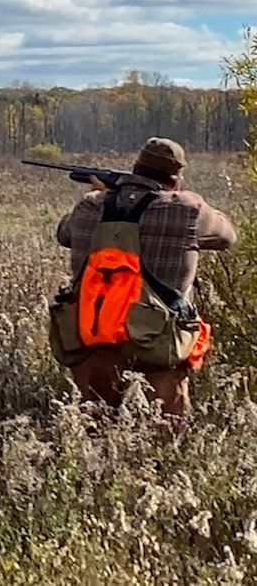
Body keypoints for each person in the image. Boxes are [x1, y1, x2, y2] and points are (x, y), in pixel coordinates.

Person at [53, 137, 237, 415]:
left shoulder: (89, 206)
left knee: (95, 436)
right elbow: (227, 236)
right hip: (158, 349)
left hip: (91, 339)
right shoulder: (188, 209)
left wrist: (103, 195)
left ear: (135, 169)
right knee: (163, 443)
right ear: (176, 178)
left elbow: (64, 234)